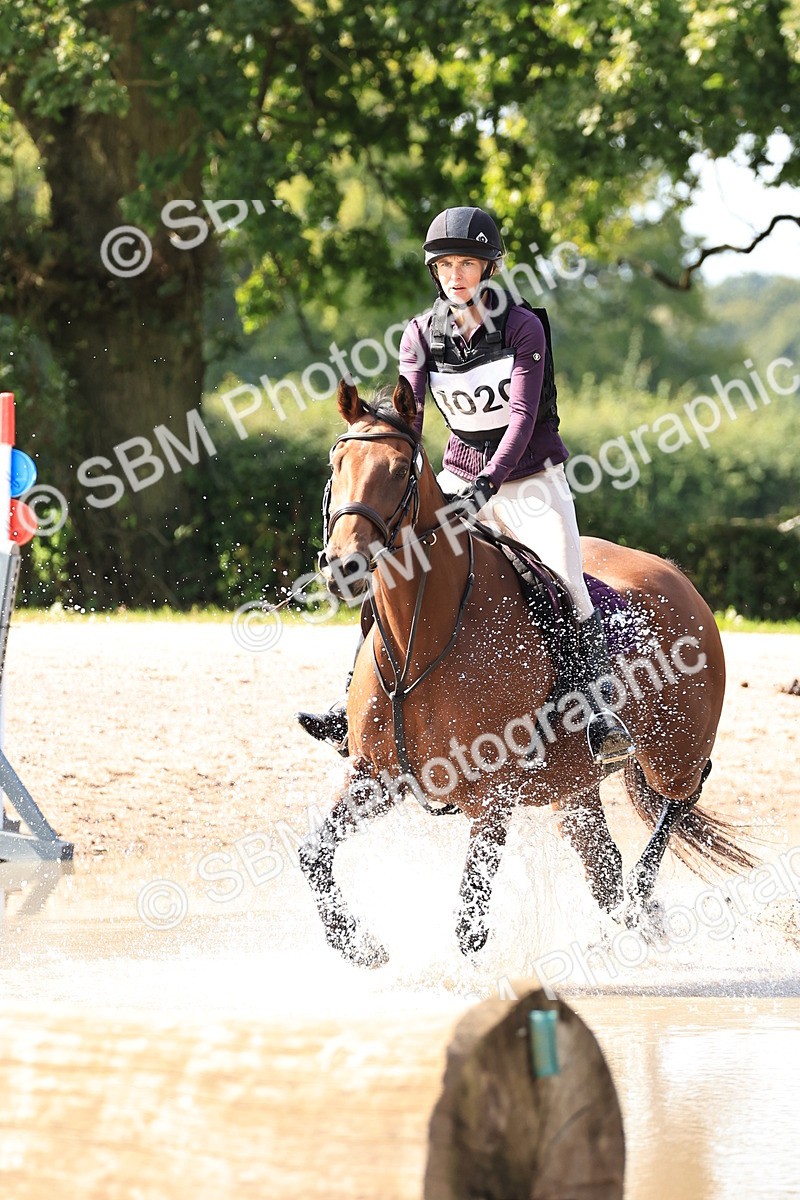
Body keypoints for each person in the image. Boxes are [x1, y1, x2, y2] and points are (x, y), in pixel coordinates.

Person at [297, 205, 633, 767]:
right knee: (393, 568)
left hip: (530, 478)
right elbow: (410, 416)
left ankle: (594, 713)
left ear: (489, 268)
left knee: (568, 582)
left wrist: (488, 484)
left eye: (468, 264)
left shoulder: (522, 326)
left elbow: (522, 416)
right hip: (457, 473)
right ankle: (348, 700)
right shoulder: (420, 334)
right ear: (435, 272)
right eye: (446, 264)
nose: (456, 275)